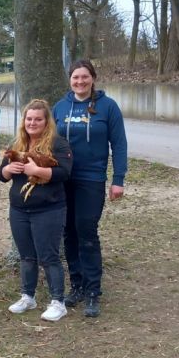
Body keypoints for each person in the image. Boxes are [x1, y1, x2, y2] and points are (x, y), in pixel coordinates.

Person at [53, 59, 128, 318]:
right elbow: (47, 140)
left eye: (85, 77)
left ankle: (93, 289)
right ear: (70, 80)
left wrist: (118, 179)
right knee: (68, 232)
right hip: (63, 178)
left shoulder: (108, 107)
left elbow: (119, 144)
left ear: (93, 78)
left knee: (86, 231)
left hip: (92, 179)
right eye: (75, 77)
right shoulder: (60, 107)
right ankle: (76, 285)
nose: (80, 81)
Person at [0, 99, 73, 321]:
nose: (32, 123)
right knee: (27, 256)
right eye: (29, 119)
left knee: (48, 256)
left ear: (46, 121)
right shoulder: (17, 143)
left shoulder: (58, 144)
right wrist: (8, 170)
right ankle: (28, 296)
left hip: (48, 208)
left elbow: (64, 173)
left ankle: (58, 302)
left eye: (38, 119)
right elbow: (1, 175)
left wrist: (36, 170)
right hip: (19, 209)